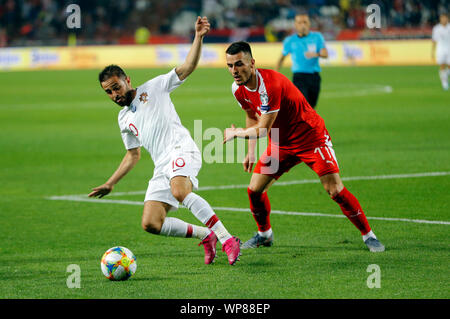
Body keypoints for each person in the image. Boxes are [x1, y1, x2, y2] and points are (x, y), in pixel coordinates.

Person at [89, 17, 241, 266]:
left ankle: (227, 239)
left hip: (181, 149)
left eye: (116, 87)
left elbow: (187, 67)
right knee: (151, 223)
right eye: (109, 92)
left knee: (180, 191)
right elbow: (133, 155)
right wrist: (110, 183)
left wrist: (199, 37)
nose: (114, 95)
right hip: (162, 166)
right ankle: (207, 236)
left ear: (127, 79)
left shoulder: (156, 86)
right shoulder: (123, 118)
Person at [223, 41, 385, 253]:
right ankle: (265, 235)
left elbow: (262, 129)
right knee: (254, 190)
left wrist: (236, 134)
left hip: (310, 138)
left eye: (239, 64)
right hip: (281, 142)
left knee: (334, 190)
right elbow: (251, 116)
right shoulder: (238, 89)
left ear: (252, 63)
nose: (234, 70)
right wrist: (250, 151)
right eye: (230, 65)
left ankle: (369, 236)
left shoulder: (270, 85)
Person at [275, 13, 328, 109]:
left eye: (305, 22)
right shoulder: (290, 40)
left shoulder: (317, 37)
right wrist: (275, 75)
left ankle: (310, 124)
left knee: (312, 107)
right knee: (303, 106)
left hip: (314, 76)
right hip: (299, 77)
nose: (302, 25)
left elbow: (325, 54)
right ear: (295, 25)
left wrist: (316, 54)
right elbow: (281, 58)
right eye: (299, 22)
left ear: (309, 24)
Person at [432, 13, 450, 91]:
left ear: (448, 19)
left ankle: (445, 76)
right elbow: (434, 41)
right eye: (442, 18)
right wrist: (432, 51)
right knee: (442, 65)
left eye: (445, 18)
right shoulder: (436, 28)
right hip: (441, 49)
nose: (443, 20)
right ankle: (444, 83)